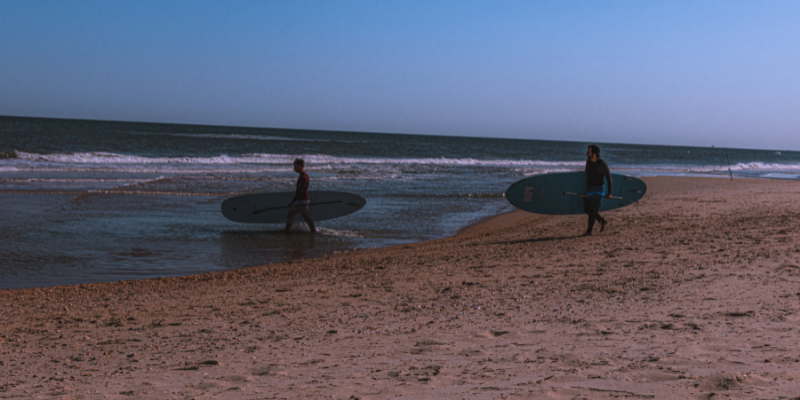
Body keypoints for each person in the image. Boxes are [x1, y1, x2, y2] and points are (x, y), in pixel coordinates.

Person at [582, 145, 612, 236]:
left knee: (592, 209)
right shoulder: (588, 162)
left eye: (589, 152)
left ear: (594, 154)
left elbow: (609, 178)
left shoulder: (602, 164)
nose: (587, 153)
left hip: (599, 189)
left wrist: (609, 193)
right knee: (587, 209)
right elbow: (586, 175)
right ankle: (602, 221)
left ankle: (588, 232)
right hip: (590, 189)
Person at [286, 158, 316, 233]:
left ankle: (313, 232)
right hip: (301, 200)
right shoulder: (303, 176)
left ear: (299, 166)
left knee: (306, 218)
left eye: (295, 166)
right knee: (291, 215)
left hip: (302, 201)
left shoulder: (303, 177)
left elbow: (300, 192)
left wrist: (292, 202)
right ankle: (287, 230)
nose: (294, 168)